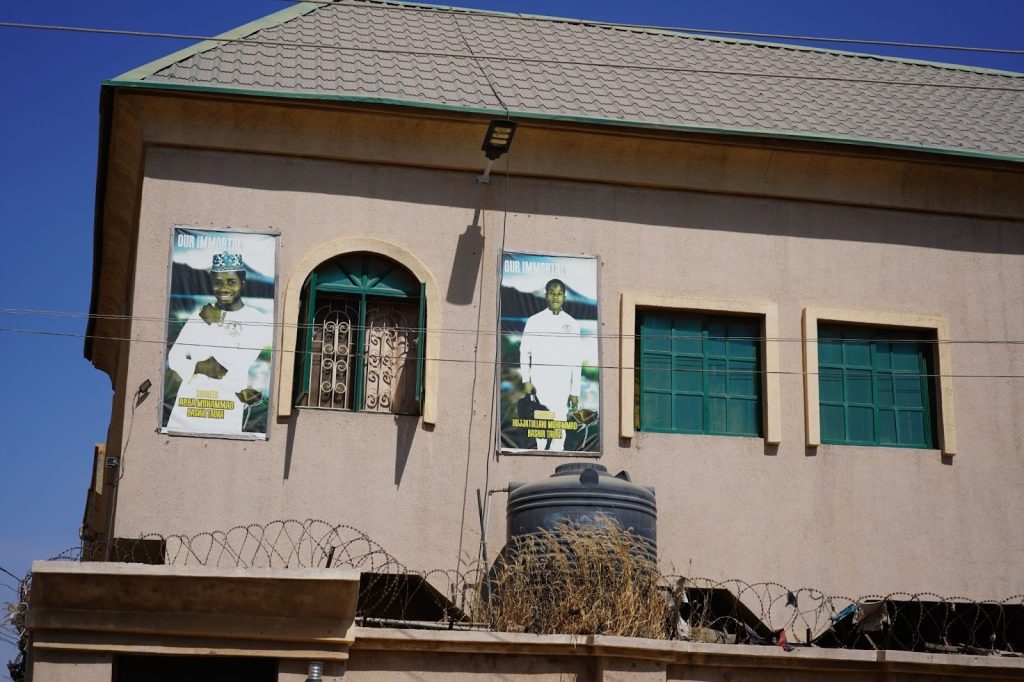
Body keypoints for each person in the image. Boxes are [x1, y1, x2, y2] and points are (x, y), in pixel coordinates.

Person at [165, 252, 273, 435]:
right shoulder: (200, 314)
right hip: (188, 406)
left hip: (226, 408)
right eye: (218, 282)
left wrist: (218, 322)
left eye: (231, 282)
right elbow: (174, 356)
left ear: (242, 283)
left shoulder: (256, 319)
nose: (224, 288)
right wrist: (197, 367)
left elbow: (232, 364)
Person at [518, 278, 583, 451]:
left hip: (561, 387)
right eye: (552, 293)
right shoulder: (534, 321)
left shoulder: (573, 324)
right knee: (540, 428)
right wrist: (526, 380)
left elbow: (576, 360)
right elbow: (525, 352)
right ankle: (539, 458)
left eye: (559, 294)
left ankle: (556, 463)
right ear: (546, 295)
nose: (556, 297)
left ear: (565, 298)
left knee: (559, 429)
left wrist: (574, 391)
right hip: (540, 385)